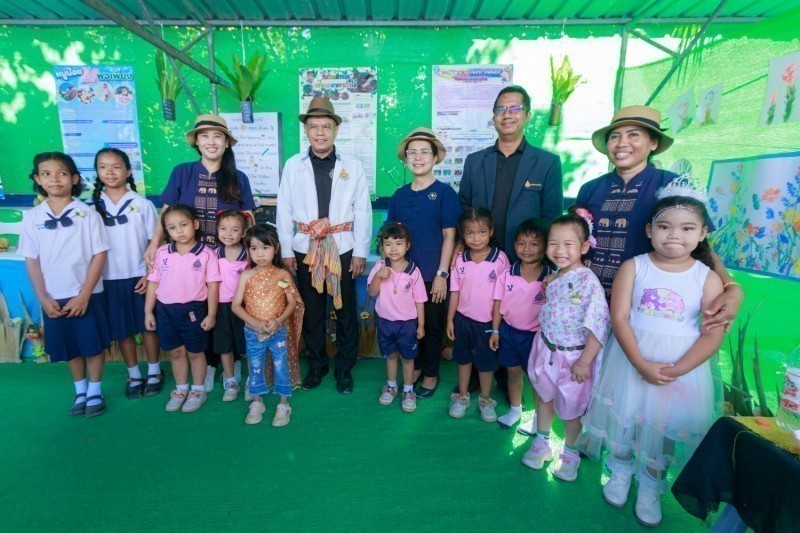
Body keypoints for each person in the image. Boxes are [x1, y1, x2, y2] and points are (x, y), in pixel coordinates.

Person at [576, 186, 724, 527]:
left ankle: (651, 486)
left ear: (702, 233)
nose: (674, 235)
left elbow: (713, 334)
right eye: (664, 226)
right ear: (649, 229)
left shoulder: (707, 278)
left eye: (687, 228)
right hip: (630, 360)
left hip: (680, 369)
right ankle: (620, 469)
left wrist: (677, 370)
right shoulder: (634, 267)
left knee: (663, 430)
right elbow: (619, 317)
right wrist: (641, 363)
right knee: (624, 418)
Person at [575, 105, 742, 329]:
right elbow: (575, 240)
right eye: (614, 136)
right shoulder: (590, 189)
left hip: (647, 303)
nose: (622, 143)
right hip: (587, 300)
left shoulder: (673, 185)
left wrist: (730, 286)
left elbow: (701, 246)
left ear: (653, 143)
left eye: (633, 135)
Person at [143, 114, 255, 389]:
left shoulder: (238, 178)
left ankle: (230, 363)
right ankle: (206, 365)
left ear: (226, 143)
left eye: (217, 136)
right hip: (189, 257)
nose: (211, 141)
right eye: (204, 136)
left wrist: (248, 255)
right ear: (196, 142)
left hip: (226, 259)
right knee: (197, 308)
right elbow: (167, 212)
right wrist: (154, 244)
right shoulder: (182, 172)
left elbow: (249, 217)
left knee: (223, 311)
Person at [277, 96, 372, 394]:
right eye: (314, 126)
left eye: (326, 126)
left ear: (335, 130)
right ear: (306, 130)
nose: (320, 132)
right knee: (313, 309)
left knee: (345, 310)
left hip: (342, 248)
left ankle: (344, 368)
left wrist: (360, 252)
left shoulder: (352, 165)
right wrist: (286, 250)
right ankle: (317, 366)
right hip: (306, 248)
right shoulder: (294, 165)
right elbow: (284, 209)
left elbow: (363, 210)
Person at [19, 152, 110, 417]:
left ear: (74, 178)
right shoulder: (33, 217)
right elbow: (32, 259)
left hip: (86, 293)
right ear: (37, 179)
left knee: (92, 345)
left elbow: (99, 255)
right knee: (70, 347)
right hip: (53, 295)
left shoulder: (87, 214)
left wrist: (84, 295)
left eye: (62, 173)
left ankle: (95, 390)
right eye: (46, 174)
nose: (55, 179)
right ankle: (80, 389)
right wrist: (43, 298)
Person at [522, 208, 609, 482]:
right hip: (546, 348)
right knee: (544, 397)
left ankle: (570, 453)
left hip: (573, 359)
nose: (559, 250)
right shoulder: (554, 276)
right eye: (553, 243)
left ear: (584, 247)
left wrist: (584, 361)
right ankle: (542, 442)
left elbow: (599, 325)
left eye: (568, 244)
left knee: (571, 409)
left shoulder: (588, 281)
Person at [386, 127, 460, 398]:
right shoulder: (399, 195)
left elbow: (449, 236)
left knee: (431, 327)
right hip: (404, 276)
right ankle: (414, 368)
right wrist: (388, 272)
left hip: (431, 275)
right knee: (408, 326)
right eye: (412, 152)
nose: (418, 157)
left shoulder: (445, 193)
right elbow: (389, 237)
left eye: (424, 152)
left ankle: (430, 373)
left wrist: (442, 274)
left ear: (435, 157)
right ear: (406, 157)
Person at [458, 85, 563, 260]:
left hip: (527, 261)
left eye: (515, 108)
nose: (507, 114)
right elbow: (463, 207)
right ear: (494, 118)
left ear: (528, 115)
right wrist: (463, 243)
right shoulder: (474, 161)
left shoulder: (547, 163)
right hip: (480, 259)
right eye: (501, 109)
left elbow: (552, 217)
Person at [90, 148, 162, 399]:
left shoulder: (142, 205)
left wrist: (149, 274)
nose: (110, 172)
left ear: (129, 171)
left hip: (140, 276)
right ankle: (133, 374)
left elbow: (155, 243)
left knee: (148, 327)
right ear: (97, 171)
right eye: (103, 167)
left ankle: (154, 370)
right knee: (122, 331)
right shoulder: (91, 208)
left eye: (116, 167)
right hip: (107, 279)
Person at [144, 204, 221, 413]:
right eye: (172, 227)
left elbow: (213, 286)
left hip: (193, 310)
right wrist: (148, 311)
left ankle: (198, 390)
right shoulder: (162, 253)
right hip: (165, 311)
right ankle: (181, 389)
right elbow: (153, 282)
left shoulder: (206, 254)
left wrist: (212, 314)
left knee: (195, 352)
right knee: (176, 352)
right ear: (166, 231)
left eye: (183, 225)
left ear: (195, 224)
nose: (179, 231)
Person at [232, 225, 304, 427]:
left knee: (281, 366)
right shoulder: (246, 276)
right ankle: (257, 402)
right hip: (253, 332)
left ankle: (283, 404)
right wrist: (255, 323)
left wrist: (279, 321)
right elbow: (235, 306)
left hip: (278, 331)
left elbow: (291, 303)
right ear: (248, 250)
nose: (260, 253)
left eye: (265, 247)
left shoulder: (282, 275)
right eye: (254, 248)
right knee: (255, 367)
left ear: (276, 248)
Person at [446, 207, 509, 421]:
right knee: (463, 360)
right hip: (463, 321)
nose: (476, 238)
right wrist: (450, 320)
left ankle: (485, 399)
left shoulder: (500, 260)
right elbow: (455, 291)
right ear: (463, 235)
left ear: (491, 231)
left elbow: (502, 297)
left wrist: (496, 328)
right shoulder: (459, 260)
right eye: (470, 233)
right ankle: (462, 396)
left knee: (486, 364)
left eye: (482, 232)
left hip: (488, 324)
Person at [489, 218, 551, 429]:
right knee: (513, 374)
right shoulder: (507, 274)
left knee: (536, 379)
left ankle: (538, 419)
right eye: (521, 243)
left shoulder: (551, 278)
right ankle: (515, 411)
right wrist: (495, 330)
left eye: (534, 244)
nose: (527, 249)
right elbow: (497, 303)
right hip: (508, 332)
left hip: (536, 337)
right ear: (514, 245)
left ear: (545, 246)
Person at [368, 223, 428, 413]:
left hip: (407, 324)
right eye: (388, 244)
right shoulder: (379, 266)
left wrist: (421, 325)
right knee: (391, 355)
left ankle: (408, 391)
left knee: (408, 358)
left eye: (399, 243)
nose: (393, 249)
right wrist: (378, 277)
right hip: (385, 322)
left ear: (408, 246)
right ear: (382, 247)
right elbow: (372, 292)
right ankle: (391, 386)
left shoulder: (414, 272)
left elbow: (420, 300)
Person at [213, 210, 250, 402]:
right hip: (221, 308)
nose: (228, 234)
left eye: (234, 230)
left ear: (243, 233)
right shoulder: (213, 255)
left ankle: (253, 381)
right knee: (225, 346)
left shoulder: (249, 256)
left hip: (244, 307)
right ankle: (230, 381)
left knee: (247, 347)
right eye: (223, 228)